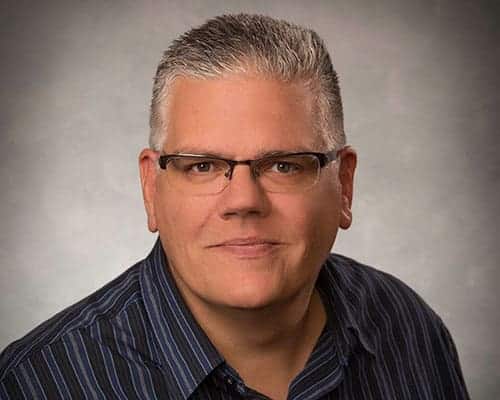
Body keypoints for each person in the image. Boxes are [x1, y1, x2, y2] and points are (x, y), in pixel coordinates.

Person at [0, 13, 469, 400]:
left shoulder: (409, 328)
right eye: (202, 166)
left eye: (284, 166)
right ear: (151, 188)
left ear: (344, 185)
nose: (244, 201)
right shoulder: (37, 384)